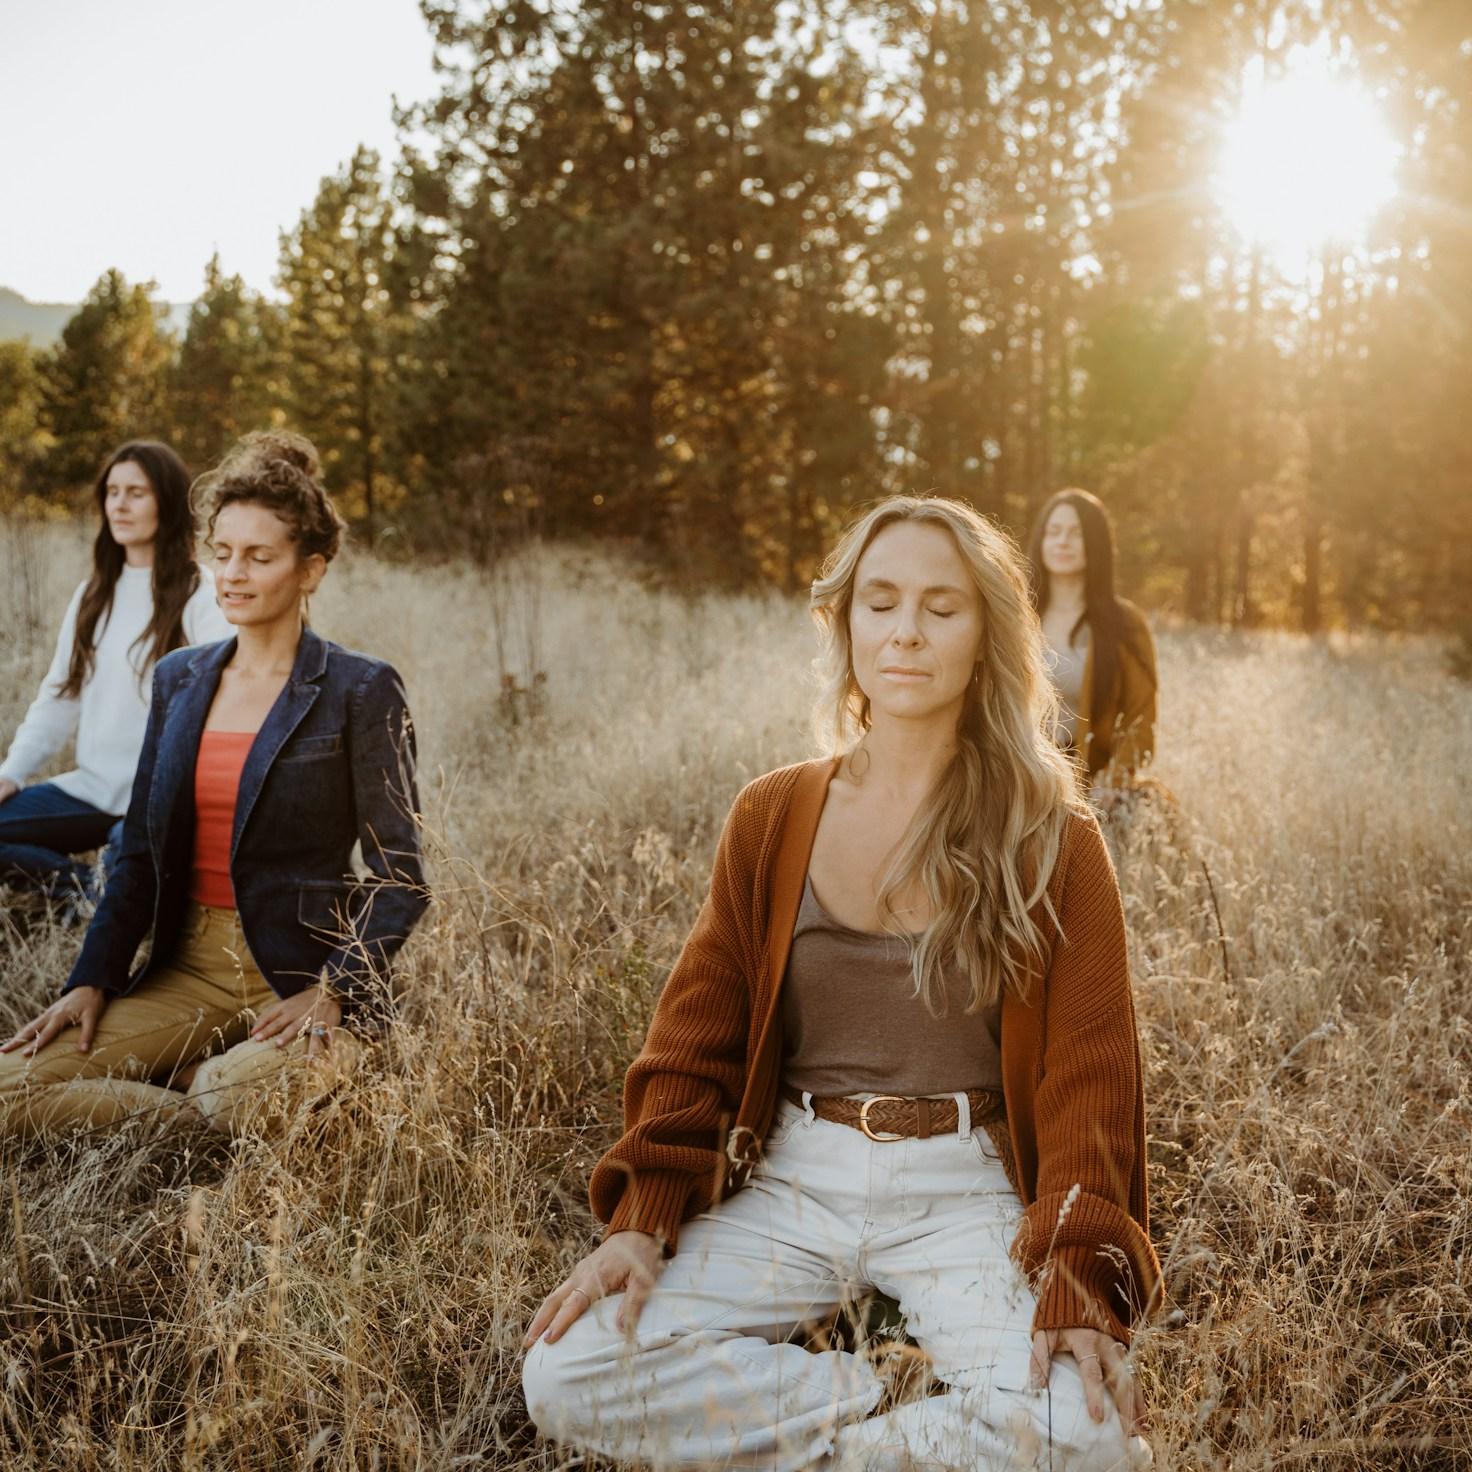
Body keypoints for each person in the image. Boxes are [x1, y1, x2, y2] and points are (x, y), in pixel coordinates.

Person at [522, 496, 1160, 1471]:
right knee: (564, 1370)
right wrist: (645, 1217)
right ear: (845, 620)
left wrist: (1073, 1271)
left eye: (940, 607)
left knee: (1090, 1435)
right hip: (795, 1171)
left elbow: (1090, 1078)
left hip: (962, 1183)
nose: (904, 630)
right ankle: (872, 1395)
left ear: (987, 632)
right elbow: (698, 1034)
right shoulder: (772, 813)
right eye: (880, 601)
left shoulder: (1055, 838)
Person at [0, 431, 428, 1139]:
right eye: (222, 553)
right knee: (9, 1085)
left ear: (311, 570)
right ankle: (183, 1092)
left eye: (259, 557)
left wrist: (336, 990)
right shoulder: (181, 679)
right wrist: (92, 979)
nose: (233, 573)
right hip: (190, 969)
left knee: (235, 1099)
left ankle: (220, 1084)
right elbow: (136, 847)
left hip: (301, 971)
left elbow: (400, 875)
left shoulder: (360, 688)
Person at [0, 441, 231, 906]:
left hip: (157, 803)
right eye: (112, 492)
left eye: (136, 493)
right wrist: (12, 774)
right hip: (91, 788)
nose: (120, 505)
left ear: (166, 502)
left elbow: (223, 706)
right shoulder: (93, 594)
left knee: (136, 876)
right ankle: (83, 888)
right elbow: (59, 697)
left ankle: (114, 888)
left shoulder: (201, 593)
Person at [1027, 489, 1158, 795]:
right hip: (1022, 778)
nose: (1062, 542)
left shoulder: (1125, 623)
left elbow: (1141, 720)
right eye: (1054, 532)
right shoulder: (1016, 614)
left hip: (1092, 784)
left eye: (1076, 533)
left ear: (1096, 543)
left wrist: (1110, 785)